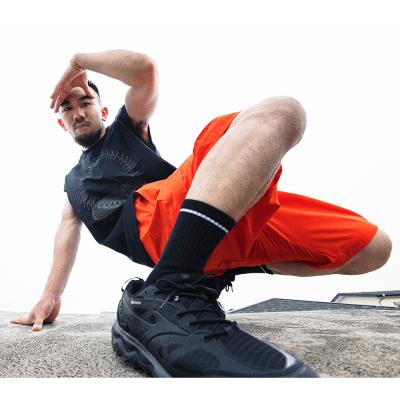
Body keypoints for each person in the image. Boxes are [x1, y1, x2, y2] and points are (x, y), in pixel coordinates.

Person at [11, 49, 392, 377]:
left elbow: (144, 71)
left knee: (373, 248)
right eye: (67, 108)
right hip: (155, 232)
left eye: (85, 102)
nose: (78, 112)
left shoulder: (126, 130)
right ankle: (173, 286)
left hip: (198, 211)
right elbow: (66, 233)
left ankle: (214, 266)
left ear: (103, 109)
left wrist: (78, 61)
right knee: (282, 111)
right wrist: (49, 296)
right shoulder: (74, 184)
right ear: (61, 122)